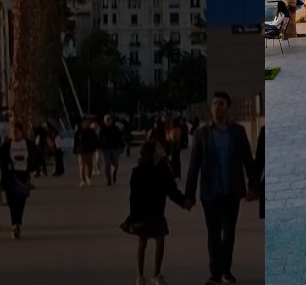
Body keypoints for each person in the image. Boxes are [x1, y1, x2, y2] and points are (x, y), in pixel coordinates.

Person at [184, 92, 260, 285]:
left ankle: (226, 271)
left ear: (228, 107)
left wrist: (254, 186)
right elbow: (194, 166)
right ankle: (215, 273)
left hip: (232, 191)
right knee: (213, 234)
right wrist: (189, 195)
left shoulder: (238, 132)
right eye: (215, 103)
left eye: (221, 103)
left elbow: (248, 160)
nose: (217, 107)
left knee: (229, 233)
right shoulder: (202, 133)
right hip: (210, 193)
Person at [121, 140, 189, 285]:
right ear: (152, 152)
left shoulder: (164, 169)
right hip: (142, 211)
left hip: (157, 210)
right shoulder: (139, 171)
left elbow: (172, 190)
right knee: (142, 241)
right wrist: (133, 216)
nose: (162, 148)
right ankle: (140, 275)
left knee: (160, 240)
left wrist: (183, 202)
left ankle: (156, 273)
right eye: (158, 147)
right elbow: (133, 196)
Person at [0, 122, 38, 239]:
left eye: (16, 132)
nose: (14, 134)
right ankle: (14, 224)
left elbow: (36, 155)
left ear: (21, 132)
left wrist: (32, 168)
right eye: (12, 132)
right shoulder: (6, 146)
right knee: (11, 202)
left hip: (23, 175)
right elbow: (0, 160)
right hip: (10, 176)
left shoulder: (29, 144)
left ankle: (18, 222)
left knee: (21, 201)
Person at [101, 114, 126, 185]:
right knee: (107, 164)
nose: (109, 121)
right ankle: (109, 178)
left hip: (115, 148)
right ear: (104, 121)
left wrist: (122, 146)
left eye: (110, 120)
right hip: (106, 149)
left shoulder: (116, 129)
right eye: (107, 120)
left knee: (116, 163)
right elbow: (100, 138)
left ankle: (114, 174)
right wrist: (100, 145)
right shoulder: (103, 129)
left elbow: (120, 138)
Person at [76, 117, 100, 186]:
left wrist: (96, 146)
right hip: (81, 150)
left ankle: (88, 177)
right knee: (82, 165)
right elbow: (76, 141)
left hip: (89, 150)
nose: (86, 123)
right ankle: (82, 180)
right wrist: (76, 150)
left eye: (87, 122)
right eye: (84, 122)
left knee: (89, 165)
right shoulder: (79, 131)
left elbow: (95, 140)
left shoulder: (91, 131)